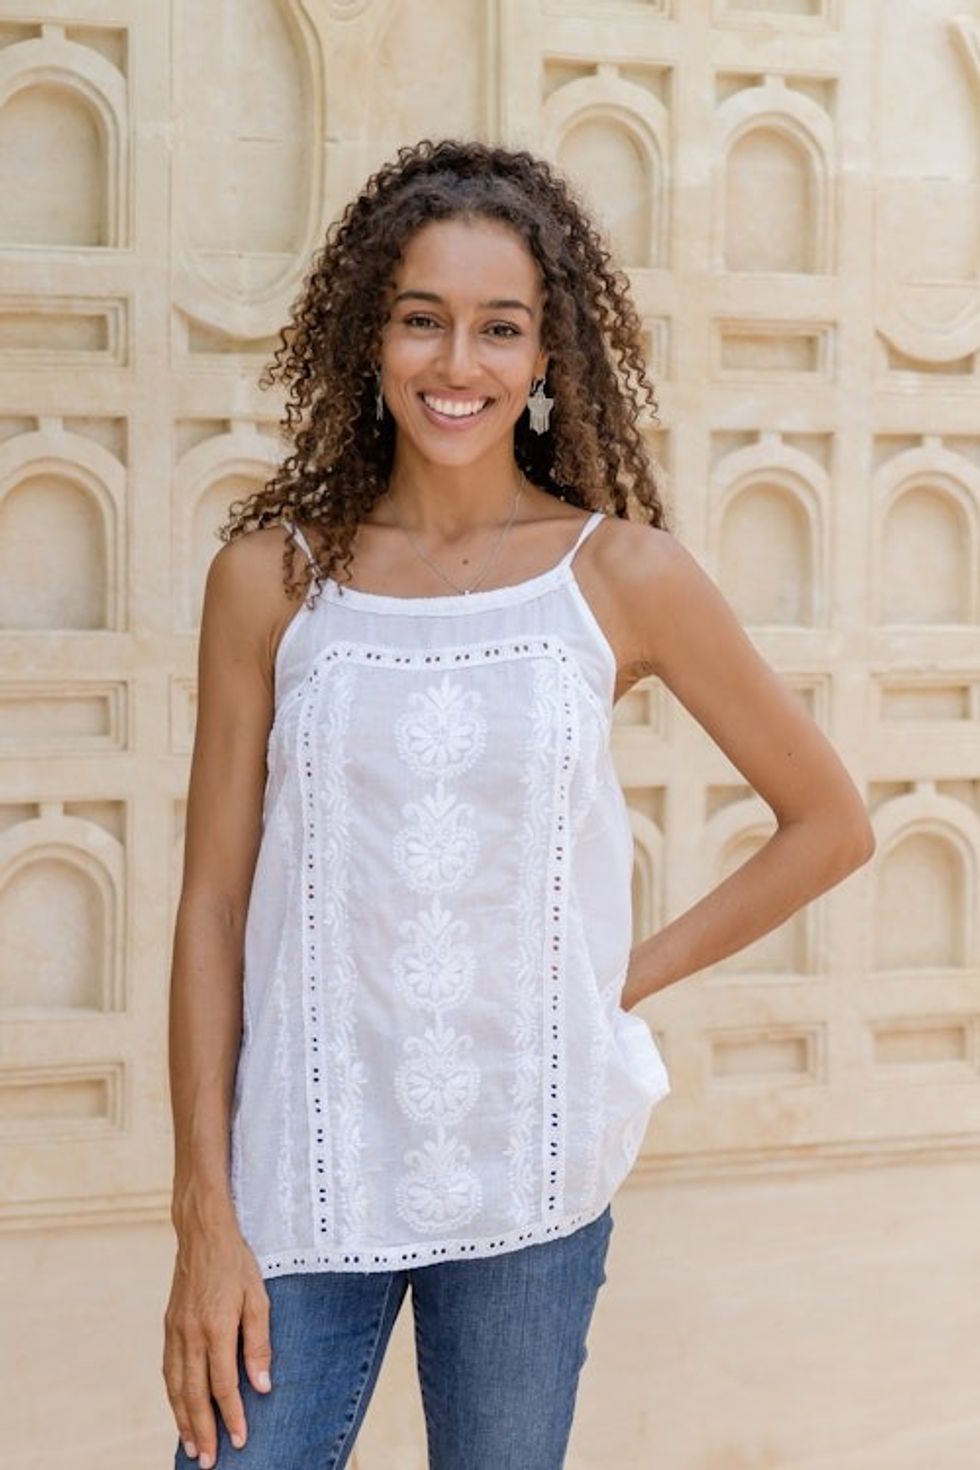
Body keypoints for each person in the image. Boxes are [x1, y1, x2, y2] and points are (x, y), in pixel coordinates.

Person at [163, 137, 875, 1470]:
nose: (457, 364)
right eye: (422, 319)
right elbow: (209, 903)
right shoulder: (270, 580)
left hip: (532, 1168)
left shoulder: (624, 576)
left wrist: (609, 981)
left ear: (548, 359)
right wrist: (203, 1204)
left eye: (502, 329)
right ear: (370, 335)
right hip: (298, 1169)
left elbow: (831, 819)